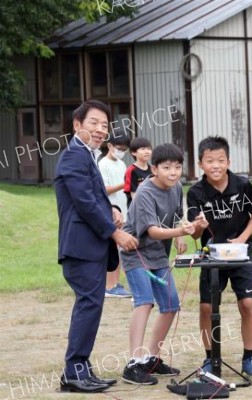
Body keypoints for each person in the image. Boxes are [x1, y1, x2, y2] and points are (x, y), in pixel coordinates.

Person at [55, 99, 138, 393]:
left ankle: (80, 369)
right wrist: (116, 234)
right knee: (89, 305)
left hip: (90, 246)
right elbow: (85, 203)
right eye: (94, 123)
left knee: (92, 305)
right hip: (80, 247)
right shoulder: (74, 155)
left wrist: (112, 211)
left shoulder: (86, 155)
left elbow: (93, 197)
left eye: (105, 125)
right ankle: (74, 371)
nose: (101, 130)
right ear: (77, 125)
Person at [186, 136, 252, 378]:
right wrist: (198, 225)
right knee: (205, 307)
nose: (216, 165)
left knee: (247, 303)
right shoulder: (196, 192)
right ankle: (210, 357)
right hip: (212, 256)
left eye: (221, 160)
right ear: (201, 164)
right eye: (209, 161)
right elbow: (195, 233)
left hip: (240, 254)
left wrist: (243, 237)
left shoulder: (242, 185)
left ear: (228, 161)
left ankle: (249, 357)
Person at [120, 143, 196, 385]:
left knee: (172, 304)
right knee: (144, 302)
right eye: (166, 168)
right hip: (136, 253)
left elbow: (174, 216)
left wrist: (181, 236)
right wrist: (178, 232)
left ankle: (152, 358)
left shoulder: (176, 189)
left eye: (177, 167)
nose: (173, 173)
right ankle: (134, 363)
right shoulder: (144, 193)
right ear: (154, 169)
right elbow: (152, 231)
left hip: (158, 254)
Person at [99, 127, 132, 298]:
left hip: (124, 211)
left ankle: (116, 284)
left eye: (124, 150)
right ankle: (109, 286)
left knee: (121, 250)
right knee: (113, 250)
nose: (121, 152)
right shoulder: (102, 164)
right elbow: (103, 190)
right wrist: (124, 184)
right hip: (110, 212)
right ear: (109, 145)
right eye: (119, 149)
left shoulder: (122, 164)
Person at [124, 137, 152, 207]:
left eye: (149, 149)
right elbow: (134, 195)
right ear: (133, 152)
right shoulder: (131, 170)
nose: (147, 151)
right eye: (143, 149)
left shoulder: (153, 169)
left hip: (151, 206)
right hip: (138, 209)